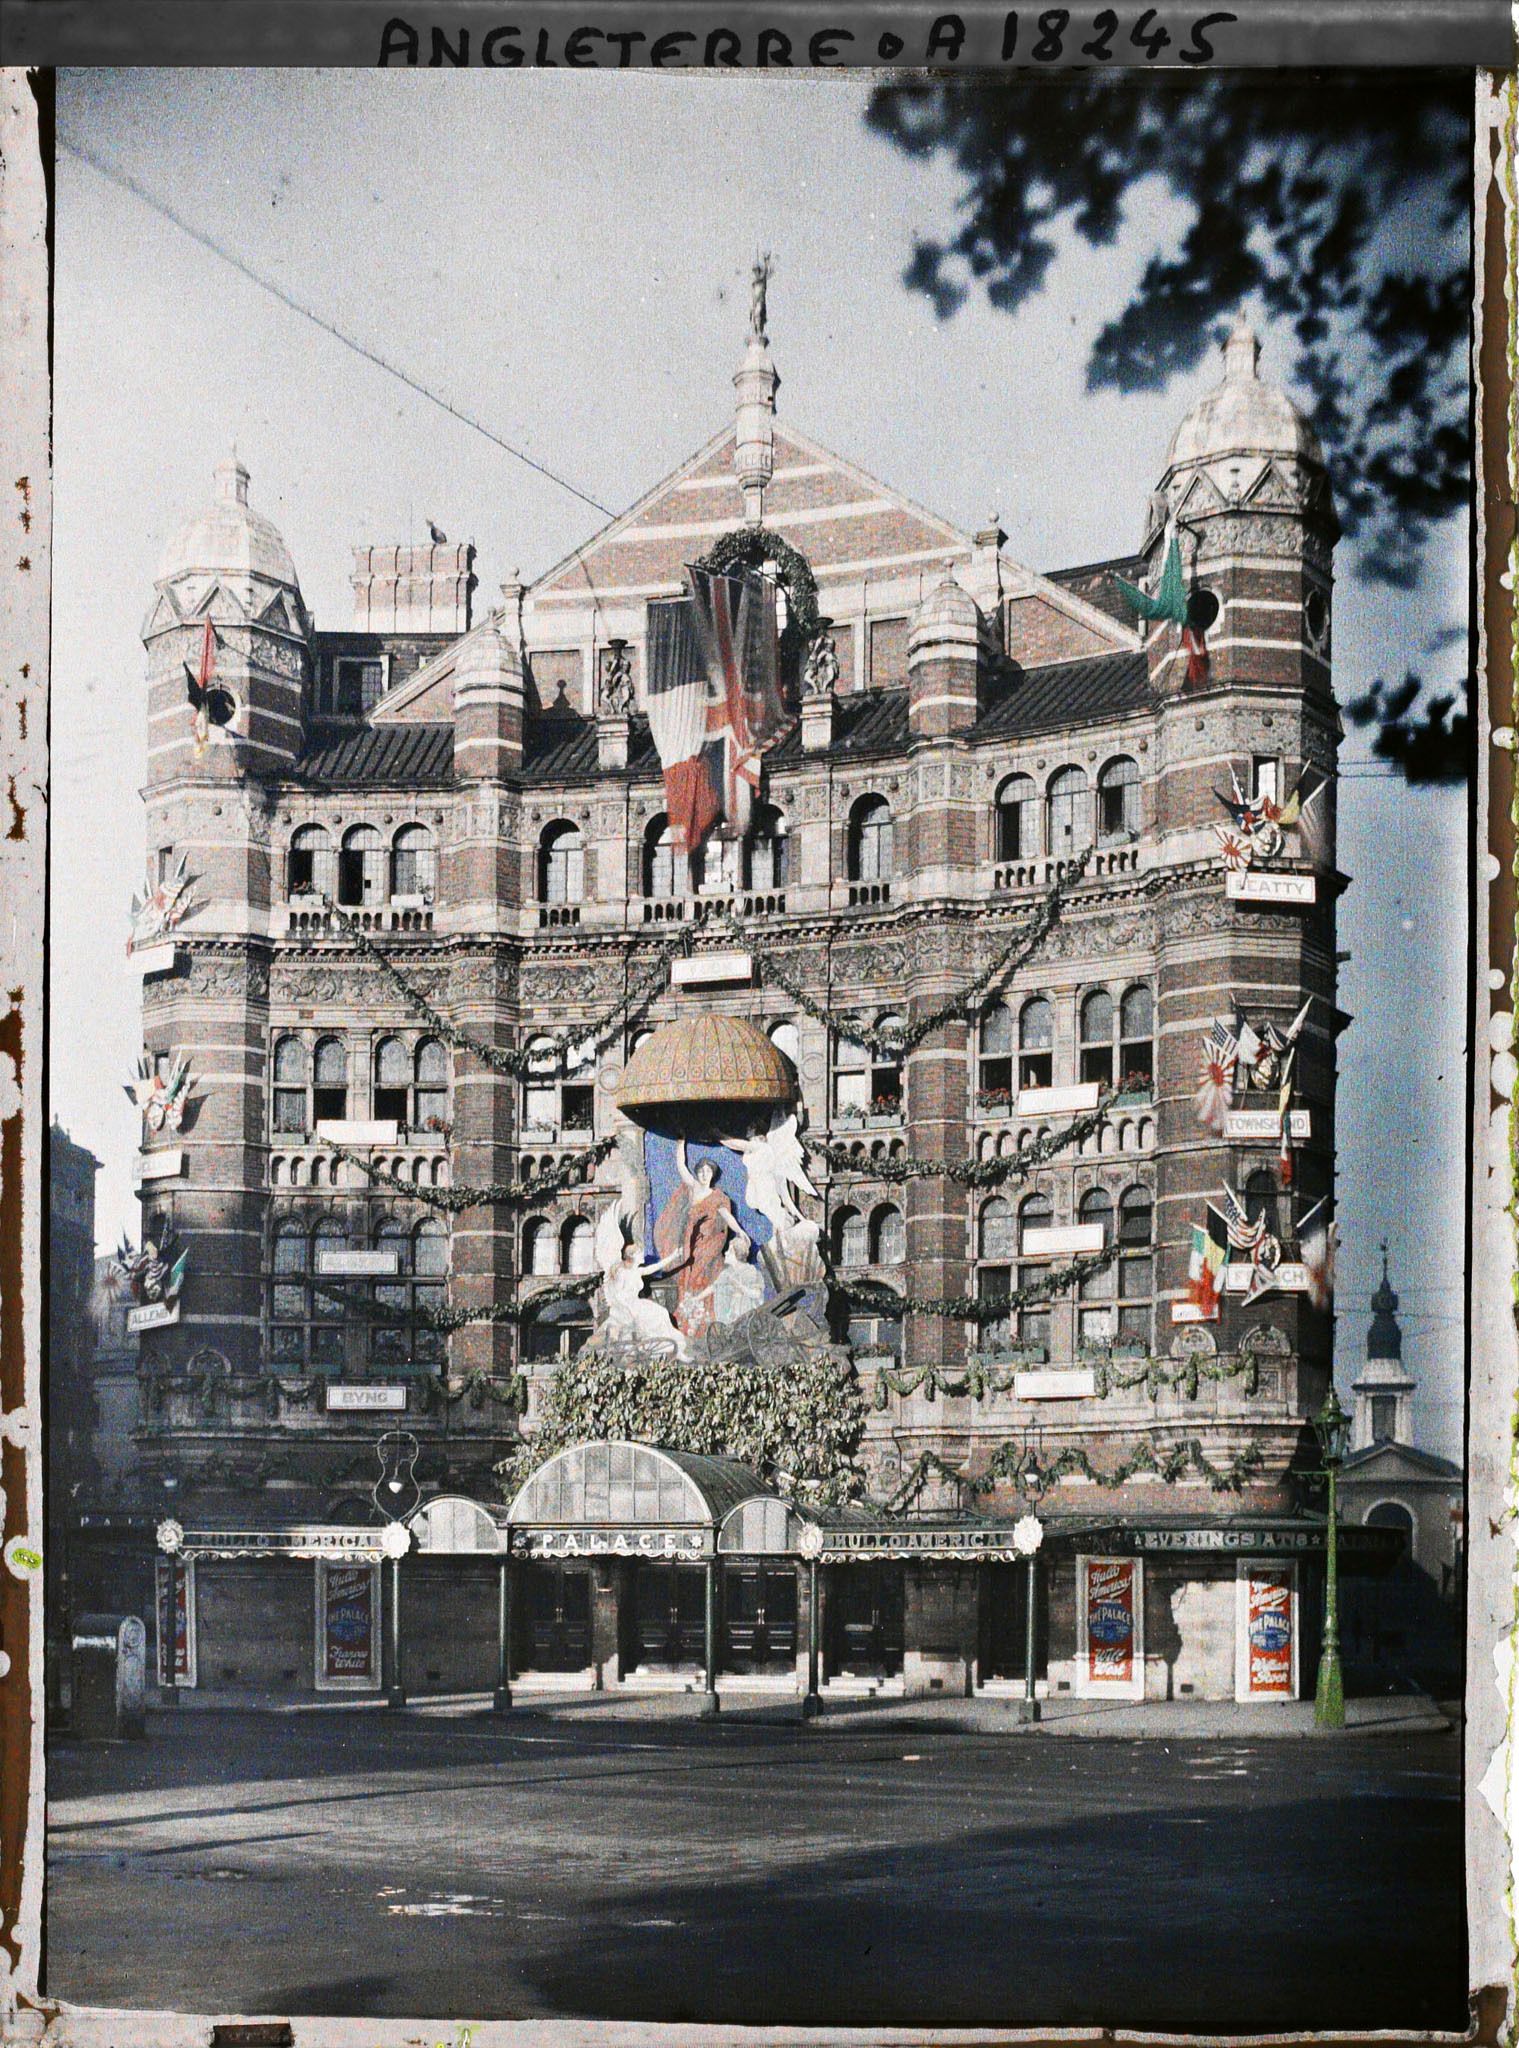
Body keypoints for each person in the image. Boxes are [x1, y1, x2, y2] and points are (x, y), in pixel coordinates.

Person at [655, 1141, 747, 1341]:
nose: (705, 1174)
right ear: (698, 1173)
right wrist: (681, 1144)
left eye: (708, 1171)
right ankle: (687, 1325)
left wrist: (740, 1231)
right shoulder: (694, 1188)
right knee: (689, 1279)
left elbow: (727, 1217)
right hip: (691, 1244)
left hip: (710, 1245)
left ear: (713, 1175)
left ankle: (707, 1326)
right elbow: (681, 1167)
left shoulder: (718, 1196)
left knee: (706, 1277)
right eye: (702, 1171)